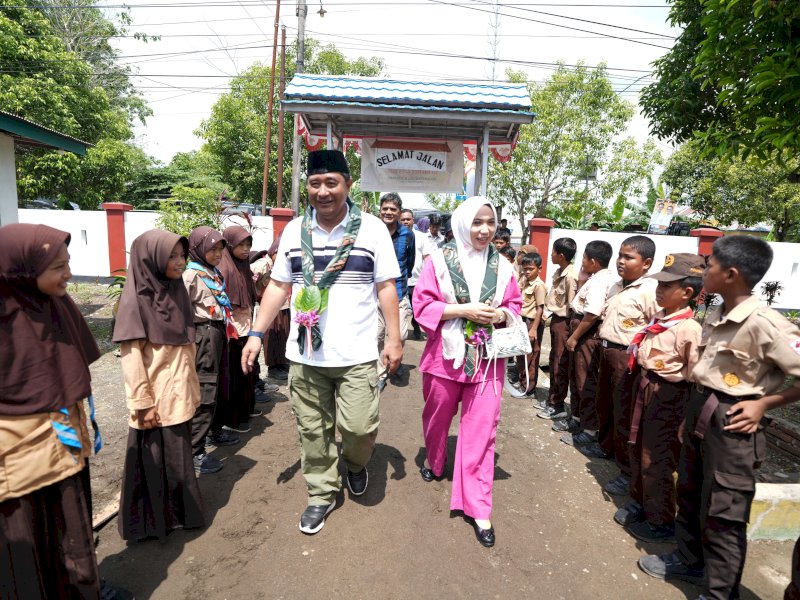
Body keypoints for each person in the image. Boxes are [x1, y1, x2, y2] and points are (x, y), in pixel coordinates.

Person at [240, 149, 402, 535]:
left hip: (358, 352)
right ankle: (321, 493)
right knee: (313, 430)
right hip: (307, 354)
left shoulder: (373, 229)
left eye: (332, 182)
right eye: (315, 184)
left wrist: (394, 338)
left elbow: (386, 288)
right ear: (306, 188)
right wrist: (256, 333)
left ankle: (357, 463)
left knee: (360, 429)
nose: (323, 191)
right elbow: (279, 286)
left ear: (347, 184)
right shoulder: (295, 230)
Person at [639, 236, 800, 600]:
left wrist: (766, 403)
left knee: (724, 513)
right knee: (691, 491)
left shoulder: (768, 324)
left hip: (734, 424)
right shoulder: (718, 311)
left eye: (709, 265)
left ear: (731, 274)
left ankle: (719, 593)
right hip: (702, 410)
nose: (703, 270)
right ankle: (688, 558)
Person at [0, 224, 105, 599]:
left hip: (67, 447)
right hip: (20, 466)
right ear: (24, 271)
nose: (68, 274)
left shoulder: (57, 306)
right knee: (29, 550)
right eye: (57, 267)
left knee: (74, 535)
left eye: (68, 263)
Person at [413, 196, 522, 548]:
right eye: (477, 222)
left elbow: (514, 306)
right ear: (462, 223)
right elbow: (422, 305)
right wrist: (463, 310)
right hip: (445, 358)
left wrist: (501, 315)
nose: (485, 229)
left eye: (490, 222)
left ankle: (478, 507)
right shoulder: (439, 261)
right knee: (437, 419)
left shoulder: (504, 266)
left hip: (488, 361)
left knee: (482, 431)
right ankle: (435, 458)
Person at [114, 229, 204, 541]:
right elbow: (131, 358)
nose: (180, 262)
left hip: (179, 391)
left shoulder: (176, 290)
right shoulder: (137, 301)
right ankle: (153, 522)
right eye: (172, 256)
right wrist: (142, 403)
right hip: (155, 398)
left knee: (177, 454)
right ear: (151, 259)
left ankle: (180, 514)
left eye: (182, 255)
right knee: (152, 459)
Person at [619, 253, 704, 543]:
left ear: (687, 293)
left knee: (657, 458)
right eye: (659, 284)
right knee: (637, 445)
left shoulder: (688, 328)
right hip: (645, 387)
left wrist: (685, 417)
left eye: (667, 286)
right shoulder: (661, 319)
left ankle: (659, 519)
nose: (659, 290)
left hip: (668, 396)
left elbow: (693, 375)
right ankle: (640, 502)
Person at [580, 236, 659, 500]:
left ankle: (626, 472)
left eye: (629, 257)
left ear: (646, 263)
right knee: (606, 405)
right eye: (620, 256)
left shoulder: (649, 291)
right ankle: (605, 447)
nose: (621, 261)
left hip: (627, 357)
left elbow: (655, 326)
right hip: (606, 350)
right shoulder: (616, 286)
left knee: (625, 414)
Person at [183, 226, 239, 475]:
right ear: (198, 249)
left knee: (219, 384)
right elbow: (181, 313)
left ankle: (214, 432)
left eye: (220, 249)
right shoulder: (191, 276)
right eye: (212, 249)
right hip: (203, 335)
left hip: (217, 332)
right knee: (205, 389)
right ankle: (195, 451)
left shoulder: (212, 273)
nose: (218, 254)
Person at [560, 241, 616, 445]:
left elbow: (592, 313)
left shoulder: (601, 281)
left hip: (586, 332)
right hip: (582, 330)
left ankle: (590, 428)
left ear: (593, 261)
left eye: (584, 258)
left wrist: (575, 337)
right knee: (576, 377)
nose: (582, 263)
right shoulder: (595, 278)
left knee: (585, 381)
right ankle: (578, 418)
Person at [216, 226, 259, 434]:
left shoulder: (243, 265)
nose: (245, 249)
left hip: (246, 329)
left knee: (245, 373)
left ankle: (245, 411)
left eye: (248, 245)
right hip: (231, 332)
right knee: (233, 375)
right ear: (230, 244)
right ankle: (232, 418)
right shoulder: (224, 267)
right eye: (241, 244)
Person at [377, 193, 415, 389]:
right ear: (380, 210)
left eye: (393, 209)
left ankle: (395, 360)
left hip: (398, 293)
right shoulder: (372, 231)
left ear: (399, 213)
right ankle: (381, 374)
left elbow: (410, 262)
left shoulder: (407, 235)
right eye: (385, 209)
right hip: (374, 295)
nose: (388, 212)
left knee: (399, 335)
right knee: (377, 335)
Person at [542, 237, 578, 425]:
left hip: (564, 322)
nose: (551, 254)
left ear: (561, 255)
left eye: (554, 252)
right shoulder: (559, 272)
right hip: (556, 320)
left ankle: (557, 405)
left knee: (559, 364)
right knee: (553, 359)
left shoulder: (571, 277)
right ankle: (551, 400)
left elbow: (572, 306)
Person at [506, 252, 546, 400]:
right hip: (522, 321)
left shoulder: (539, 286)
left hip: (531, 322)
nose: (527, 271)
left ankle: (529, 388)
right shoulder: (524, 281)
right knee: (521, 354)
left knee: (531, 355)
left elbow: (540, 309)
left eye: (531, 268)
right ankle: (523, 383)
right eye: (525, 268)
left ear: (539, 269)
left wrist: (534, 329)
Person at [401, 208, 432, 341]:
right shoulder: (394, 236)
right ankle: (399, 333)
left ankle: (416, 326)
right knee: (400, 310)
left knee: (417, 308)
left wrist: (429, 278)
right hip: (400, 281)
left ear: (413, 220)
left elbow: (427, 258)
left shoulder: (421, 237)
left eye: (408, 219)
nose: (405, 222)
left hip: (417, 281)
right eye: (403, 219)